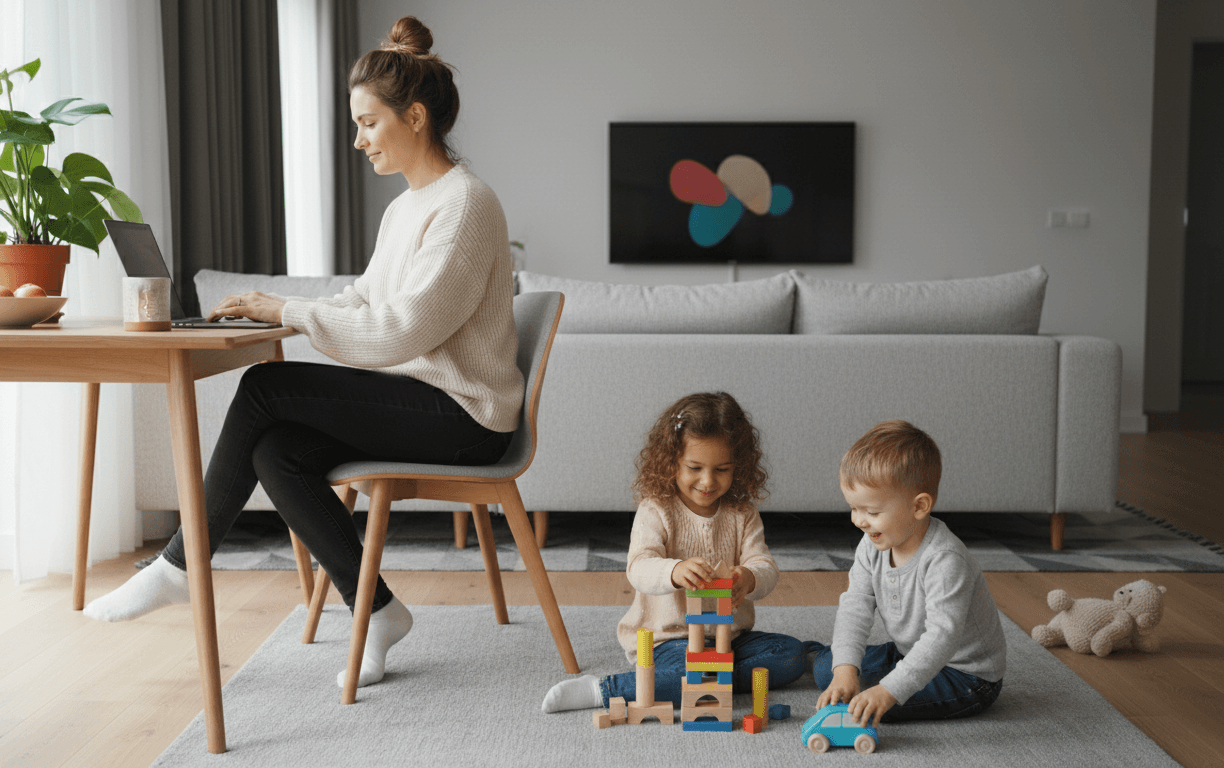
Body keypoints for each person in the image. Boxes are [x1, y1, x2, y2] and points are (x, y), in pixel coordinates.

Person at [85, 16, 521, 691]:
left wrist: (287, 314)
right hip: (429, 402)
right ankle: (376, 610)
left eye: (369, 124)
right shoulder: (409, 207)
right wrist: (275, 313)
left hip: (467, 420)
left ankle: (177, 568)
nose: (358, 140)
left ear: (414, 117)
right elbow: (364, 297)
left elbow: (401, 330)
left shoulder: (465, 206)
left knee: (264, 391)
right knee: (276, 446)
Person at [541, 392, 822, 713]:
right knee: (696, 674)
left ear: (739, 467)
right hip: (667, 641)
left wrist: (748, 577)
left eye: (722, 469)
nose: (707, 480)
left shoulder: (742, 513)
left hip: (728, 640)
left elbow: (765, 566)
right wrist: (673, 571)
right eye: (695, 467)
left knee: (790, 655)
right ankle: (604, 689)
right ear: (671, 460)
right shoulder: (656, 509)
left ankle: (713, 680)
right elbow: (639, 567)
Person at [814, 420, 1006, 727]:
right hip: (909, 653)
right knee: (829, 670)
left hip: (965, 675)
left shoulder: (945, 559)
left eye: (872, 512)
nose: (859, 521)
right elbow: (856, 605)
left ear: (919, 506)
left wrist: (888, 691)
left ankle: (885, 688)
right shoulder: (872, 543)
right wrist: (845, 670)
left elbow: (941, 638)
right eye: (854, 508)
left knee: (872, 707)